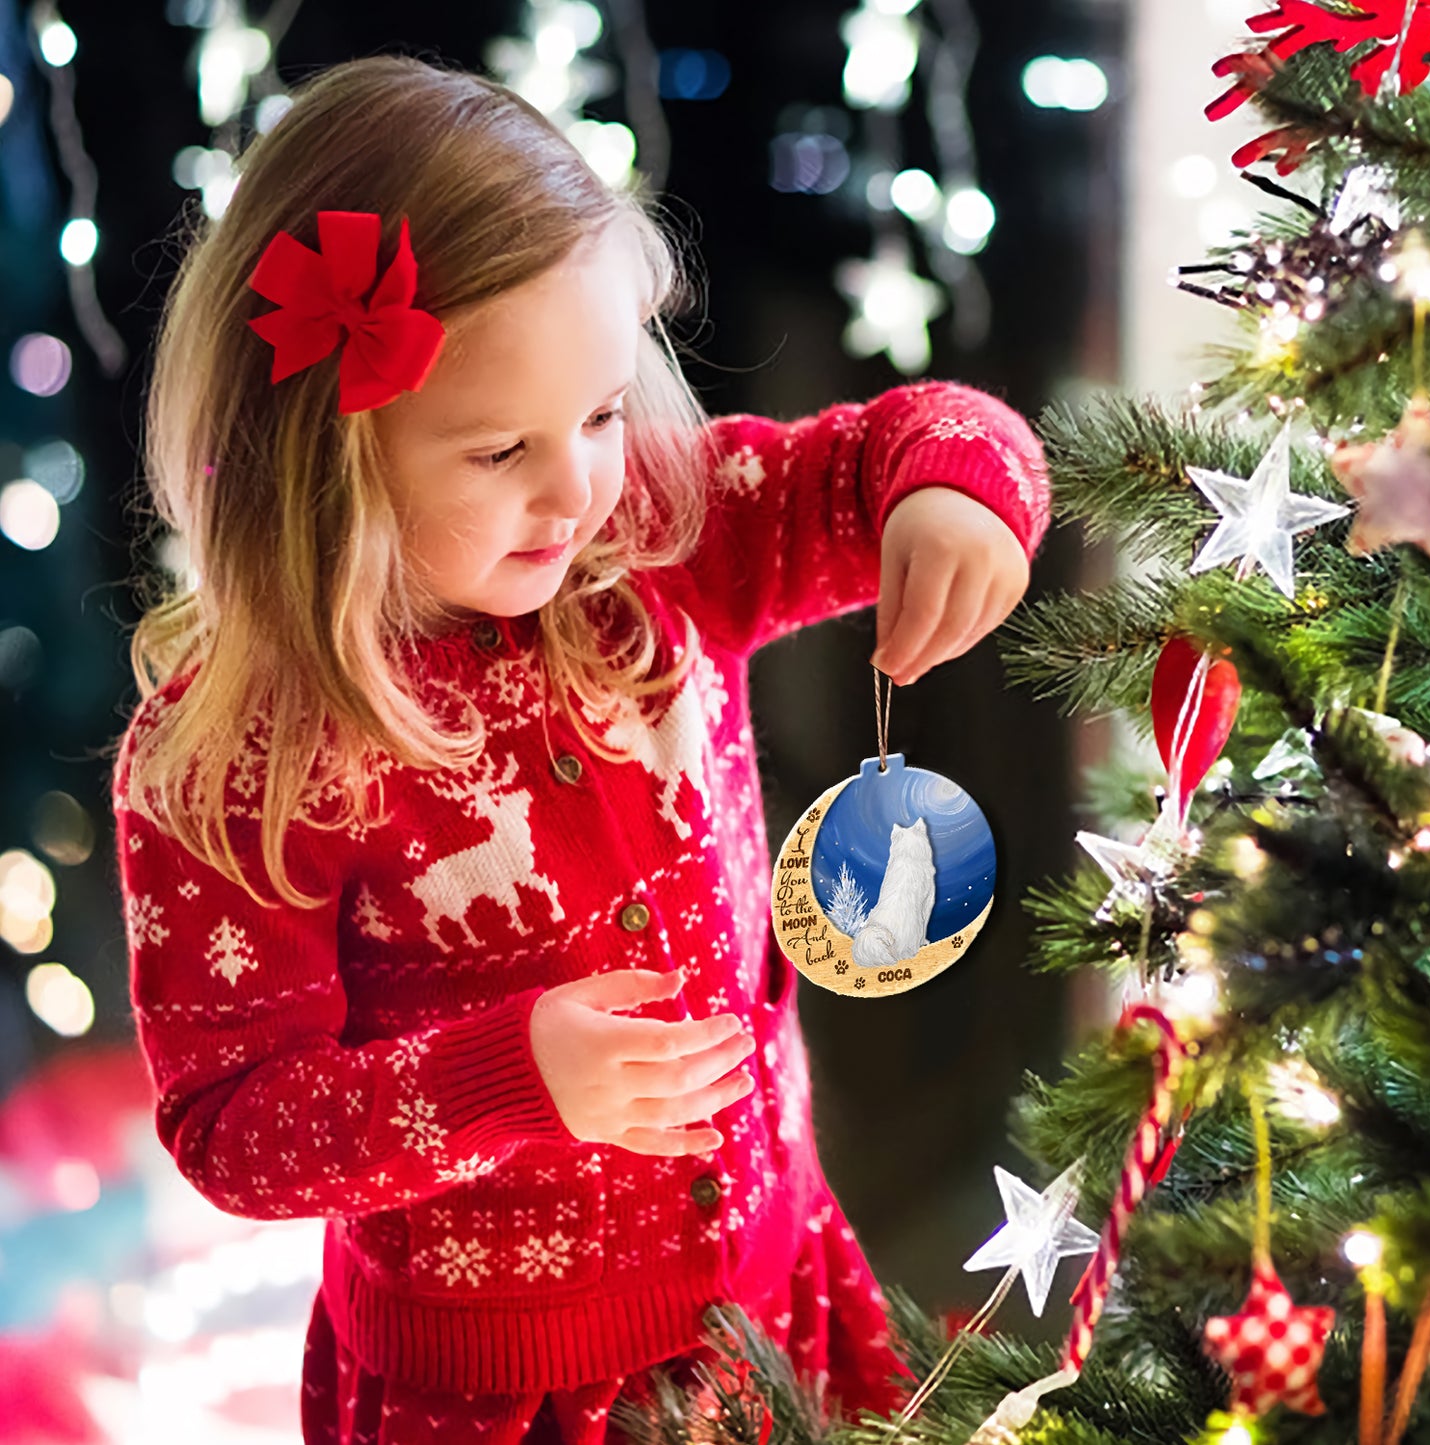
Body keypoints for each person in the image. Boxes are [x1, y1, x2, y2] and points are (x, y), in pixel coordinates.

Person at [109, 54, 1051, 1445]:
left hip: (768, 1287)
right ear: (321, 455)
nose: (577, 487)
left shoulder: (659, 541)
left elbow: (900, 445)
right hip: (501, 1389)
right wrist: (509, 1076)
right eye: (499, 452)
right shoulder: (236, 754)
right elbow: (233, 1127)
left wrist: (956, 496)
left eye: (604, 412)